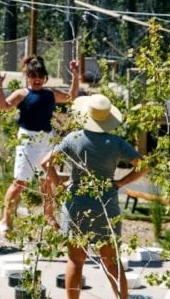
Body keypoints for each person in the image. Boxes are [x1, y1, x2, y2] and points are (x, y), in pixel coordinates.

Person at [41, 94, 148, 299]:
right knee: (111, 261)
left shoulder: (73, 139)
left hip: (76, 204)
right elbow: (144, 165)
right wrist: (120, 183)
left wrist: (60, 184)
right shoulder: (116, 142)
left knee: (75, 260)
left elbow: (46, 164)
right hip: (106, 205)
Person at [0, 55, 80, 238]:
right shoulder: (22, 94)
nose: (37, 79)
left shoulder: (50, 93)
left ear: (45, 76)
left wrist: (75, 75)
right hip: (27, 140)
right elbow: (3, 107)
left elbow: (72, 97)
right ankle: (5, 219)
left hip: (46, 139)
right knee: (20, 183)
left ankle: (49, 217)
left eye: (40, 76)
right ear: (28, 76)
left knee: (46, 182)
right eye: (33, 76)